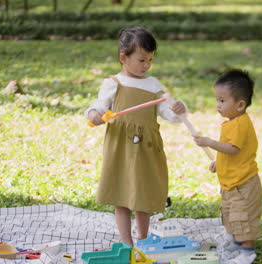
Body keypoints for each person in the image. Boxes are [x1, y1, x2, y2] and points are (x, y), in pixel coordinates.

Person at [85, 27, 186, 246]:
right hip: (121, 146)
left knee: (143, 195)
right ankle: (126, 242)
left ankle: (143, 238)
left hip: (147, 149)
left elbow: (169, 114)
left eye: (150, 60)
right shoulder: (114, 83)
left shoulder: (154, 85)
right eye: (141, 60)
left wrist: (179, 110)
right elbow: (97, 107)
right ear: (124, 58)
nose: (146, 65)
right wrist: (95, 115)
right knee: (121, 195)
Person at [193, 69, 262, 264]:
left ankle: (247, 252)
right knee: (231, 215)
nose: (218, 105)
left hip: (243, 184)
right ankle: (237, 243)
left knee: (243, 217)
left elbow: (232, 149)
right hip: (231, 183)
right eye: (217, 100)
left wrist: (209, 142)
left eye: (222, 101)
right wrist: (219, 163)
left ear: (240, 105)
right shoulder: (231, 123)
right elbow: (229, 154)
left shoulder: (241, 124)